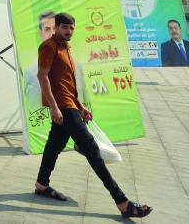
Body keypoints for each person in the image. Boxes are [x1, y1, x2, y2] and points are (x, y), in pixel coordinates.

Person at [33, 13, 152, 218]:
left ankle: (42, 184)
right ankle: (122, 202)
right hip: (62, 108)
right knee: (92, 151)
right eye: (64, 28)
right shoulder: (49, 46)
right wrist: (53, 107)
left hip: (70, 105)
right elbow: (42, 76)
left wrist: (80, 105)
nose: (69, 31)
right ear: (56, 27)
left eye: (71, 28)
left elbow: (67, 83)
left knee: (54, 146)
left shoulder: (66, 48)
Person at [23, 10, 89, 107]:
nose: (53, 33)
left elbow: (76, 92)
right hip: (60, 110)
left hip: (72, 107)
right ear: (41, 34)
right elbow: (33, 110)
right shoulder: (31, 72)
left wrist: (81, 107)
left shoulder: (72, 59)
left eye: (54, 28)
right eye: (47, 29)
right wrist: (54, 107)